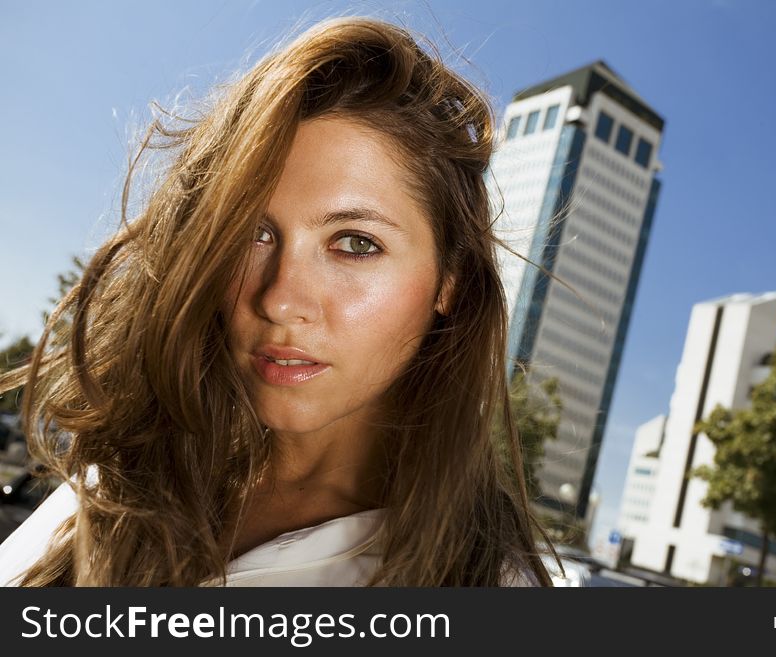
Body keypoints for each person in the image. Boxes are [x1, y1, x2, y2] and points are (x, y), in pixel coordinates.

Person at [0, 16, 555, 587]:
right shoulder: (120, 483)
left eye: (356, 243)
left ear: (450, 282)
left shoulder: (485, 585)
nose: (281, 301)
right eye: (251, 234)